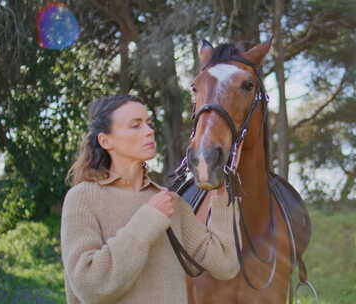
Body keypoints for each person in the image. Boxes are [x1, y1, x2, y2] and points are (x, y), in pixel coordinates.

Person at [61, 95, 240, 304]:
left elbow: (225, 265)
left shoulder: (170, 202)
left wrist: (222, 194)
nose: (149, 131)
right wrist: (149, 219)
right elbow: (91, 287)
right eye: (135, 125)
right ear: (105, 140)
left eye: (149, 123)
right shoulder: (82, 197)